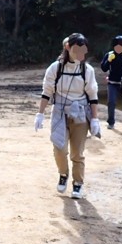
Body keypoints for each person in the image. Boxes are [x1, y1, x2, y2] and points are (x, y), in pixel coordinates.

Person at [34, 33, 101, 199]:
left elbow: (92, 95)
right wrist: (40, 114)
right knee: (59, 149)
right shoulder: (55, 68)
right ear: (68, 48)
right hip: (59, 112)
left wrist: (94, 119)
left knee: (77, 153)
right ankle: (63, 174)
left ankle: (78, 184)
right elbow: (47, 92)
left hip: (80, 113)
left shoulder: (87, 70)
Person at [99, 35, 122, 131]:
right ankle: (111, 122)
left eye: (120, 46)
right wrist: (109, 61)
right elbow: (104, 68)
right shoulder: (109, 54)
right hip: (112, 83)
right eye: (116, 46)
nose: (118, 48)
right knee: (111, 102)